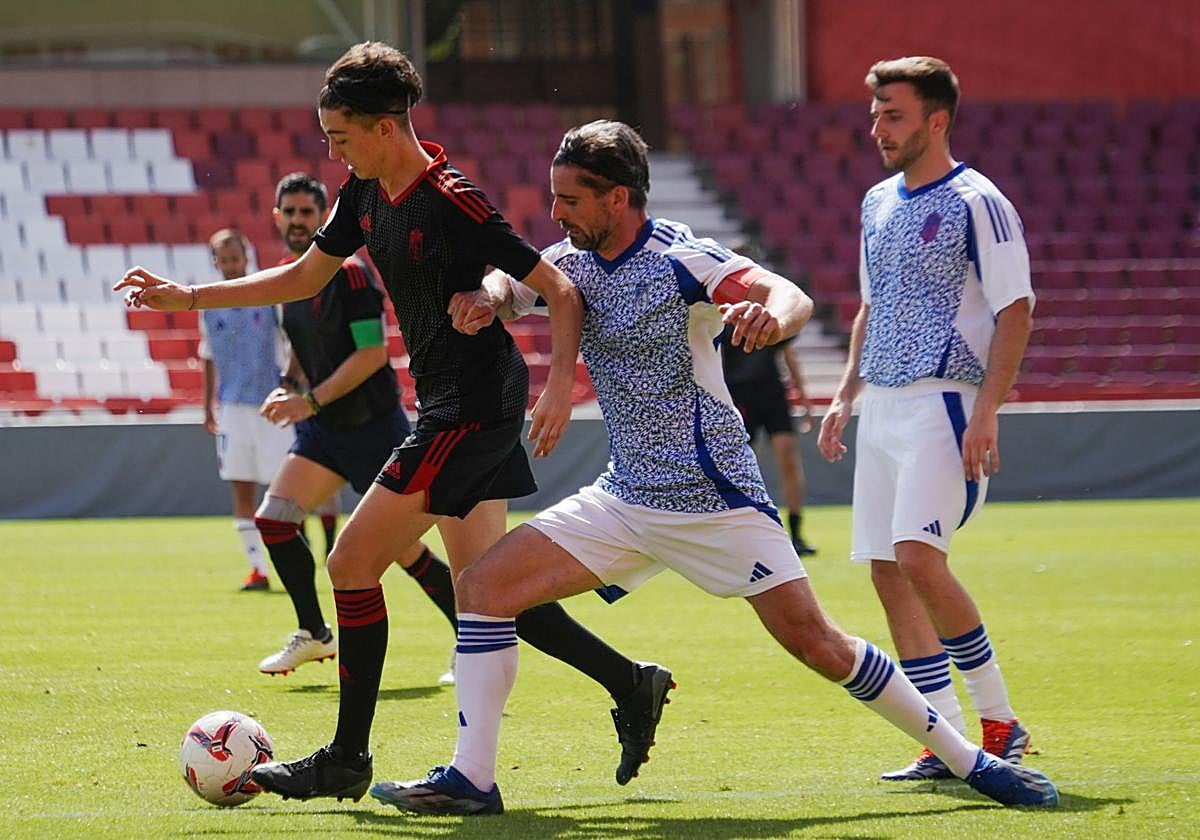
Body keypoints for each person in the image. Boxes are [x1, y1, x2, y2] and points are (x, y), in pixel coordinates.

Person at [369, 120, 1058, 815]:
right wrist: (488, 295)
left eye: (570, 199)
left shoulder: (681, 257)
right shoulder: (570, 261)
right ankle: (472, 780)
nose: (556, 212)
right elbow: (513, 279)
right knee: (483, 587)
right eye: (554, 197)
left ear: (616, 198)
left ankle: (972, 762)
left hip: (715, 498)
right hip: (627, 497)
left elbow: (787, 294)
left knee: (819, 645)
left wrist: (772, 317)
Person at [116, 42, 669, 804]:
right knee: (487, 589)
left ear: (384, 127)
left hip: (472, 406)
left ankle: (346, 758)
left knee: (350, 563)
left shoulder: (452, 198)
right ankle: (630, 681)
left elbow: (560, 290)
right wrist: (189, 296)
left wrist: (558, 390)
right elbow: (303, 275)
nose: (332, 151)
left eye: (340, 136)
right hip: (448, 401)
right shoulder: (363, 192)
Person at [816, 57, 1036, 782]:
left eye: (894, 115)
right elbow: (870, 306)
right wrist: (844, 394)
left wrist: (987, 411)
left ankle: (1000, 722)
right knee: (887, 571)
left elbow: (1016, 309)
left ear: (937, 121)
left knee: (918, 558)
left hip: (945, 401)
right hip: (881, 404)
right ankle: (944, 739)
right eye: (876, 114)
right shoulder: (877, 201)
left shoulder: (980, 201)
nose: (878, 128)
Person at [252, 171, 455, 683]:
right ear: (276, 218)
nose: (298, 221)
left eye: (307, 212)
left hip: (372, 429)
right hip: (324, 430)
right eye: (289, 212)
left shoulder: (351, 273)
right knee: (275, 520)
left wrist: (308, 401)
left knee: (405, 552)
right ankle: (314, 632)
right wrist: (288, 384)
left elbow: (371, 355)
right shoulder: (288, 278)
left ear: (324, 217)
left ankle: (471, 638)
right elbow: (302, 346)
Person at [198, 228, 293, 591]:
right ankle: (258, 568)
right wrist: (207, 404)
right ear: (216, 262)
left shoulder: (268, 296)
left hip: (271, 403)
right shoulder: (208, 304)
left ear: (246, 257)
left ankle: (291, 560)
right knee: (241, 485)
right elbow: (208, 355)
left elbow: (289, 344)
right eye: (224, 260)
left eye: (235, 259)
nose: (231, 266)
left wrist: (291, 387)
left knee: (284, 487)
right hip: (233, 407)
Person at [720, 240, 817, 556]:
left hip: (771, 390)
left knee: (788, 457)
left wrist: (803, 397)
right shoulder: (722, 309)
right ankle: (745, 533)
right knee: (741, 465)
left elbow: (787, 354)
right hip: (738, 393)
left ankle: (796, 533)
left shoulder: (770, 307)